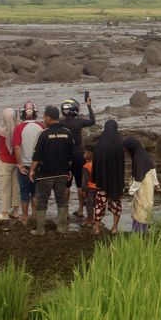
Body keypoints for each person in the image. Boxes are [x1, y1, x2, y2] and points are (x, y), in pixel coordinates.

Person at [29, 105, 75, 236]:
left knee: (42, 200)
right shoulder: (67, 133)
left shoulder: (43, 134)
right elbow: (71, 154)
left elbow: (37, 155)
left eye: (44, 116)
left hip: (45, 174)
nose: (43, 119)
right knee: (61, 199)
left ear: (48, 118)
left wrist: (32, 170)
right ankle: (61, 228)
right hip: (62, 172)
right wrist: (68, 170)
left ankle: (40, 230)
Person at [59, 96, 95, 220]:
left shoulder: (60, 123)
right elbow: (92, 121)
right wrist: (89, 105)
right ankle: (80, 210)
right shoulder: (79, 122)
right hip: (79, 156)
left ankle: (65, 212)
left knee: (66, 185)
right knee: (80, 185)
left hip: (65, 157)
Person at [13, 101, 44, 226]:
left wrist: (19, 163)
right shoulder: (41, 127)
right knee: (36, 191)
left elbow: (16, 147)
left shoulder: (19, 128)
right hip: (38, 166)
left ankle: (25, 216)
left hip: (24, 166)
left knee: (24, 192)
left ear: (22, 114)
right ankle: (35, 215)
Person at [92, 120, 125, 235]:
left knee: (99, 204)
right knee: (116, 204)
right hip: (115, 182)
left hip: (102, 181)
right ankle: (115, 228)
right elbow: (122, 166)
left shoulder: (100, 145)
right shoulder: (119, 144)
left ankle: (96, 229)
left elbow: (95, 163)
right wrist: (121, 183)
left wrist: (95, 179)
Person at [124, 136, 160, 233]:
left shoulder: (138, 158)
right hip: (149, 182)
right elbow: (152, 168)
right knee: (147, 206)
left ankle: (139, 232)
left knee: (140, 208)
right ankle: (146, 230)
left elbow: (139, 178)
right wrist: (156, 183)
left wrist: (131, 191)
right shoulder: (143, 153)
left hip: (144, 184)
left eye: (127, 149)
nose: (127, 152)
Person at [0, 108, 20, 221]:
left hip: (5, 161)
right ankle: (15, 212)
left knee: (5, 187)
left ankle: (4, 213)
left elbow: (2, 129)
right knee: (16, 187)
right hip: (17, 161)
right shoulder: (19, 130)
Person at [81, 150, 97, 227]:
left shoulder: (86, 166)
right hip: (97, 187)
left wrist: (83, 189)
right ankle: (96, 219)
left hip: (89, 188)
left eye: (85, 153)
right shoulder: (98, 164)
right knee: (96, 204)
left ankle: (89, 221)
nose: (83, 154)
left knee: (89, 205)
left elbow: (85, 179)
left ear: (89, 155)